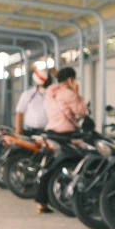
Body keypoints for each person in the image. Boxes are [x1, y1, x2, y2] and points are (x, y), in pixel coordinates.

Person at [35, 67, 86, 214]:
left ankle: (41, 202)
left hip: (51, 133)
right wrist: (77, 93)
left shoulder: (50, 92)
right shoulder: (69, 94)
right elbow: (81, 112)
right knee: (76, 162)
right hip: (66, 135)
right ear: (71, 80)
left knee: (49, 166)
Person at [14, 70, 49, 135]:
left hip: (46, 131)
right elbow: (20, 112)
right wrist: (18, 128)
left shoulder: (50, 94)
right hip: (29, 131)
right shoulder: (27, 94)